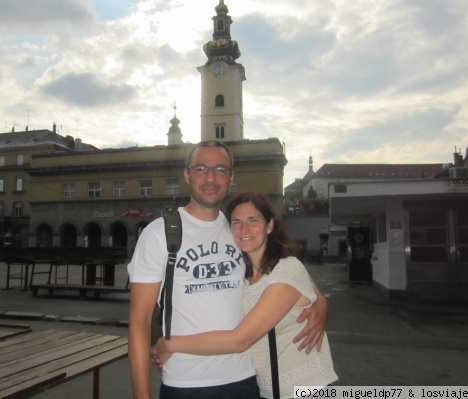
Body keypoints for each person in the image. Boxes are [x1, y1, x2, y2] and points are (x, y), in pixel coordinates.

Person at [128, 140, 328, 398]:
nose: (210, 178)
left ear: (231, 177)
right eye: (201, 169)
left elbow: (287, 272)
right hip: (185, 383)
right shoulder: (159, 234)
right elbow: (139, 322)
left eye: (220, 170)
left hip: (244, 379)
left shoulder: (238, 231)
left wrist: (321, 303)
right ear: (187, 174)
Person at [153, 192, 338, 398]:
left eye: (253, 220)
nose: (244, 229)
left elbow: (239, 340)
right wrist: (321, 303)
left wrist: (169, 344)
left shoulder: (288, 269)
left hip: (308, 386)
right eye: (237, 222)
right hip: (266, 390)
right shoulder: (241, 272)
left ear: (269, 225)